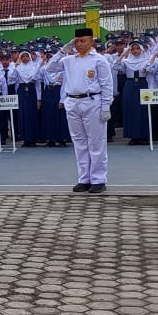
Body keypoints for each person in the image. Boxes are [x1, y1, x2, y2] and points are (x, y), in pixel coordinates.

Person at [44, 28, 113, 193]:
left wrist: (106, 107)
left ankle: (98, 179)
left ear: (91, 42)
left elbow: (107, 85)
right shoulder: (69, 60)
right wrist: (63, 50)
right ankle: (84, 178)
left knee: (96, 142)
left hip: (92, 101)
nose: (80, 44)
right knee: (79, 143)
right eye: (77, 41)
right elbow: (49, 68)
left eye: (83, 41)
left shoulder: (99, 60)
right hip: (73, 102)